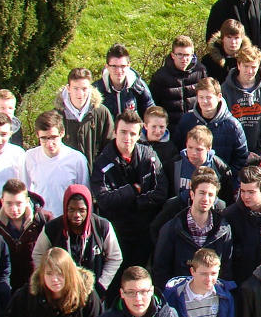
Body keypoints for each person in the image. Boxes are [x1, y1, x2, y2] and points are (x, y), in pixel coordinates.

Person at [91, 110, 167, 270]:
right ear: (114, 132)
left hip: (143, 231)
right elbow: (104, 200)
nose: (127, 138)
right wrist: (132, 190)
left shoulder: (149, 156)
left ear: (139, 135)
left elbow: (160, 192)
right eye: (123, 132)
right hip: (116, 233)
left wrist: (135, 203)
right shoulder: (103, 162)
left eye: (132, 133)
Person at [32, 184, 124, 297]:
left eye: (82, 210)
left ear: (89, 209)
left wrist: (101, 285)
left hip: (92, 292)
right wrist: (49, 280)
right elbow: (38, 254)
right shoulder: (52, 228)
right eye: (71, 210)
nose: (76, 215)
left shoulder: (102, 227)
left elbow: (115, 257)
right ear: (65, 208)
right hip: (61, 292)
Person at [153, 167, 234, 289]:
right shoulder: (172, 228)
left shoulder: (223, 229)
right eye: (201, 193)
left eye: (210, 195)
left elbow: (226, 270)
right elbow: (160, 271)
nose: (205, 199)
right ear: (192, 194)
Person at [24, 111, 89, 218]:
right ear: (37, 135)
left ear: (62, 133)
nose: (49, 143)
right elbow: (25, 192)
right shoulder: (29, 157)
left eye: (53, 137)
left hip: (68, 220)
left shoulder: (77, 159)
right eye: (44, 138)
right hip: (40, 220)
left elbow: (84, 196)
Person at [175, 77, 249, 169]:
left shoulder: (233, 126)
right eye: (201, 97)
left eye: (208, 97)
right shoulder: (187, 121)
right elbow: (178, 150)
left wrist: (228, 178)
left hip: (222, 179)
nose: (204, 101)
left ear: (219, 97)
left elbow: (241, 158)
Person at [56, 67, 115, 173]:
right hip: (65, 174)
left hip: (95, 174)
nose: (80, 94)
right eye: (75, 88)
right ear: (68, 88)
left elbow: (110, 144)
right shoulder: (57, 116)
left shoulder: (101, 112)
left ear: (90, 88)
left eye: (84, 89)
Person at [221, 44, 261, 155]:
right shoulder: (225, 89)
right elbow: (223, 125)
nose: (250, 71)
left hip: (259, 151)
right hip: (234, 151)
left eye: (253, 67)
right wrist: (241, 151)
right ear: (238, 65)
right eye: (246, 66)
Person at [149, 35, 208, 134]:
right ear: (172, 55)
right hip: (171, 130)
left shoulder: (200, 71)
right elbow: (153, 106)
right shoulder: (160, 77)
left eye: (187, 55)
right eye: (180, 54)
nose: (184, 59)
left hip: (196, 129)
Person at [0, 179, 45, 293]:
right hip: (6, 284)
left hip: (36, 284)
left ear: (27, 201)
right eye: (9, 203)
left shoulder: (42, 221)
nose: (14, 209)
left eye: (19, 203)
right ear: (2, 201)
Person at [97, 43, 155, 119]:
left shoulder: (139, 86)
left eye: (122, 66)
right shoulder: (97, 90)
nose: (119, 71)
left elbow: (151, 113)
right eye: (114, 66)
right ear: (107, 67)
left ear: (128, 66)